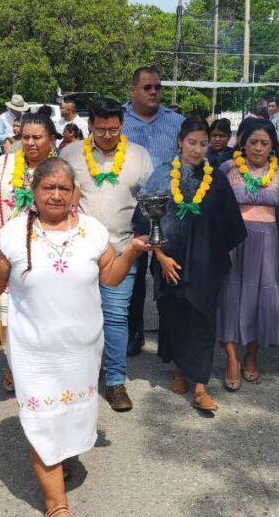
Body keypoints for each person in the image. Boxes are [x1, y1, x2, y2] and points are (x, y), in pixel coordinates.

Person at [0, 158, 149, 517]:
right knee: (43, 420)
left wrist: (130, 251)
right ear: (33, 190)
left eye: (63, 188)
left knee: (72, 415)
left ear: (74, 192)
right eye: (48, 187)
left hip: (82, 350)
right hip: (33, 351)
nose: (56, 195)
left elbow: (110, 278)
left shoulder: (93, 231)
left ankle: (60, 456)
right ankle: (56, 502)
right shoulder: (14, 234)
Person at [133, 117, 245, 411]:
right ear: (180, 141)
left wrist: (214, 257)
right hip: (169, 258)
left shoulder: (216, 178)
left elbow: (230, 223)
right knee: (174, 315)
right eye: (192, 143)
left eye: (203, 144)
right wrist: (161, 257)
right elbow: (145, 223)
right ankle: (179, 368)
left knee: (203, 319)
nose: (197, 150)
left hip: (205, 263)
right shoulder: (161, 175)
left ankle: (200, 385)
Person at [60, 98, 153, 412]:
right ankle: (78, 376)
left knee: (115, 317)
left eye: (114, 129)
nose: (108, 135)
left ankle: (115, 381)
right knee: (79, 317)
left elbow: (151, 203)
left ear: (122, 126)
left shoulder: (139, 157)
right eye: (101, 129)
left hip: (122, 250)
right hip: (79, 253)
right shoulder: (71, 154)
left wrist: (144, 237)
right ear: (90, 126)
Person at [0, 112, 59, 391]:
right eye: (25, 137)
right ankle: (16, 367)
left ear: (51, 139)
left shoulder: (59, 170)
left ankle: (43, 370)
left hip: (47, 257)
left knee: (44, 316)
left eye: (37, 137)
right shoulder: (3, 164)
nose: (31, 143)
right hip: (9, 256)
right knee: (12, 320)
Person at [217, 119, 279, 391]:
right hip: (234, 239)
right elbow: (217, 208)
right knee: (232, 297)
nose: (258, 148)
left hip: (268, 240)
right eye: (252, 142)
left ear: (272, 146)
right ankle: (232, 359)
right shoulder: (228, 169)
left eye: (264, 143)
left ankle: (252, 354)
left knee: (261, 297)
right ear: (242, 143)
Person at [124, 66, 185, 356]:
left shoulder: (176, 123)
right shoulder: (118, 121)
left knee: (165, 275)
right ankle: (133, 333)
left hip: (168, 214)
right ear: (133, 89)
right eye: (147, 87)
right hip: (127, 210)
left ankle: (169, 336)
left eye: (158, 87)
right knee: (131, 275)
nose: (153, 92)